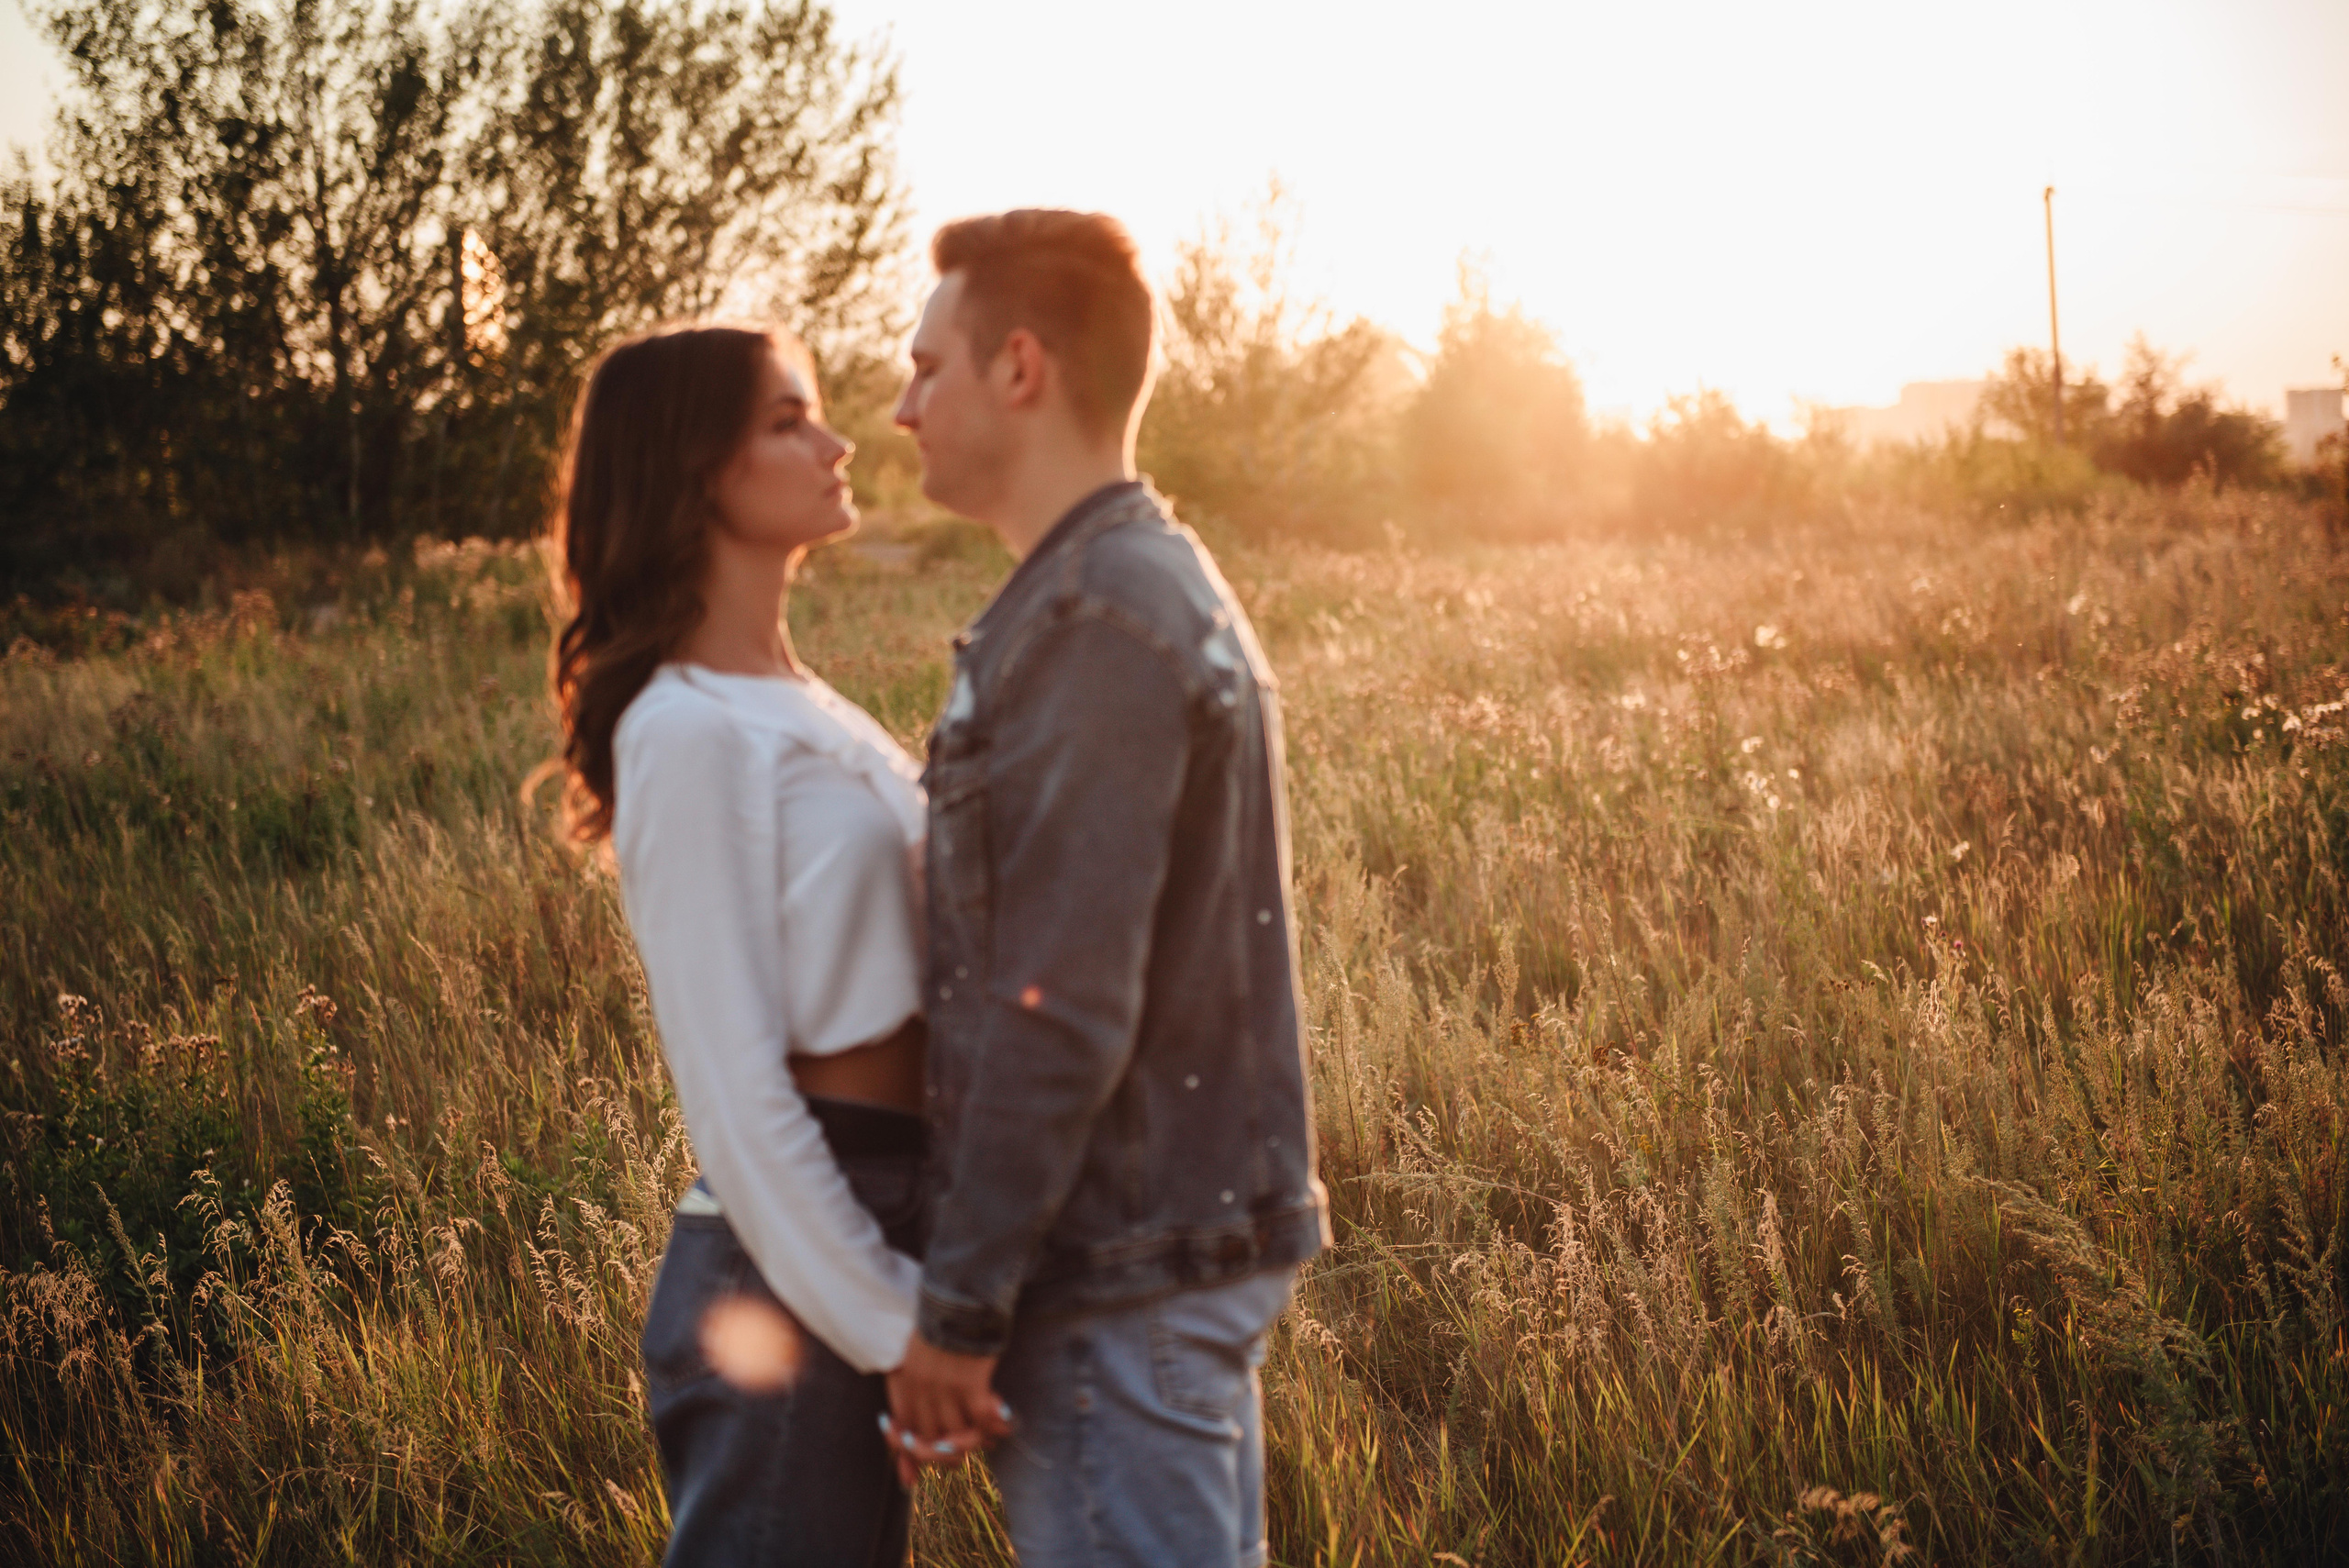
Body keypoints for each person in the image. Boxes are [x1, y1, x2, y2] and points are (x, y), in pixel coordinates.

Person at [884, 210, 1330, 1568]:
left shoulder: (1096, 617)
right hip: (1137, 1266)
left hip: (1116, 1279)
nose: (902, 408)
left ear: (1020, 367)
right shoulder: (1113, 590)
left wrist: (958, 1309)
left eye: (927, 367)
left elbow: (1060, 1000)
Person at [547, 321, 970, 1565]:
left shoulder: (807, 704)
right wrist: (896, 1327)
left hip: (885, 1211)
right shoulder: (686, 729)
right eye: (790, 418)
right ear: (698, 466)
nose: (840, 440)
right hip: (785, 1262)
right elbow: (733, 1098)